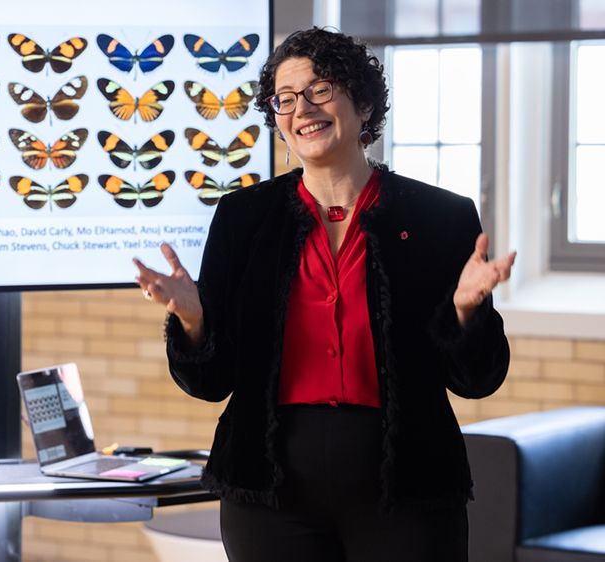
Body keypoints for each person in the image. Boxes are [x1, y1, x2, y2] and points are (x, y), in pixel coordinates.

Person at [133, 27, 516, 562]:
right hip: (270, 497)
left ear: (362, 102)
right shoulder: (243, 219)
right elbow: (210, 383)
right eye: (285, 99)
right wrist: (194, 323)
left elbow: (479, 380)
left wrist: (465, 313)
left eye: (320, 89)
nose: (301, 108)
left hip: (408, 492)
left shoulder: (439, 217)